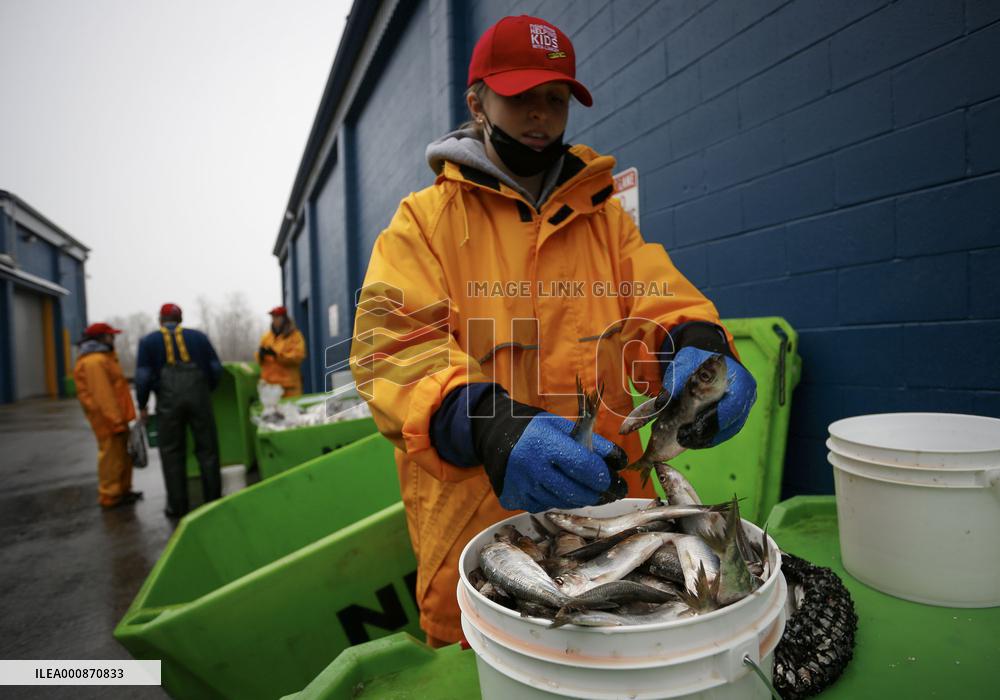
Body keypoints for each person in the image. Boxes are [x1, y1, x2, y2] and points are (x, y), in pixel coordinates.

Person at [350, 15, 757, 646]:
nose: (540, 115)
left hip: (618, 519)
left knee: (632, 661)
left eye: (555, 99)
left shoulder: (606, 222)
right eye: (519, 97)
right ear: (476, 100)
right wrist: (482, 420)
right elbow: (391, 348)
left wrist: (698, 347)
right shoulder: (424, 224)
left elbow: (660, 298)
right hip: (481, 529)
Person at [135, 303, 223, 518]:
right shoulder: (199, 338)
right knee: (207, 450)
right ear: (180, 318)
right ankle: (213, 502)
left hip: (168, 404)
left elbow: (143, 377)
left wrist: (143, 404)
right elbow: (215, 368)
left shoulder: (149, 342)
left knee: (172, 453)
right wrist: (205, 389)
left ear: (160, 319)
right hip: (199, 399)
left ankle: (178, 506)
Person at [73, 322, 142, 509]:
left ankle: (123, 490)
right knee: (111, 457)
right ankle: (110, 495)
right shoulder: (94, 361)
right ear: (101, 338)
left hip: (118, 417)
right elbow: (102, 395)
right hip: (108, 419)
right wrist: (115, 420)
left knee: (123, 455)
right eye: (110, 335)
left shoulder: (105, 357)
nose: (114, 338)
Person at [256, 306, 306, 397]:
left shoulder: (295, 336)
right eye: (273, 317)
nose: (275, 320)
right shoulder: (266, 337)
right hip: (270, 389)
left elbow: (298, 357)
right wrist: (260, 355)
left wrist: (277, 355)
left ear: (284, 318)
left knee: (291, 410)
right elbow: (260, 363)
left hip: (289, 388)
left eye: (277, 317)